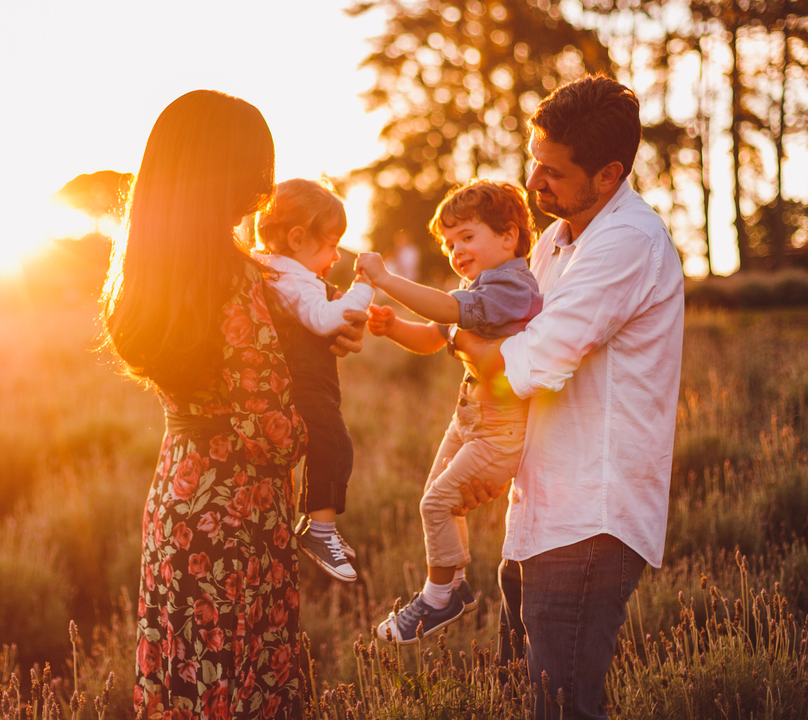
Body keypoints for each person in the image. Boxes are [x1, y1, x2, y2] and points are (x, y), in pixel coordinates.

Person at [99, 90, 366, 719]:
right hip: (237, 514)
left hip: (178, 493)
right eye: (255, 171)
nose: (263, 191)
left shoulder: (152, 270)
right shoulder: (238, 278)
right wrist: (316, 404)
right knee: (241, 675)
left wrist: (311, 338)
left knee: (185, 668)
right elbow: (273, 434)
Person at [453, 76, 685, 719]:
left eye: (553, 171)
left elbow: (531, 360)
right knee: (526, 700)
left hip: (590, 521)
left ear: (609, 174)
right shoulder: (557, 240)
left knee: (563, 709)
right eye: (535, 161)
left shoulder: (627, 242)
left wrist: (456, 337)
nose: (534, 182)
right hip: (538, 512)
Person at [354, 180, 542, 644]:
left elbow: (444, 312)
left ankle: (439, 597)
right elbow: (433, 335)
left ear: (508, 236)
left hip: (500, 431)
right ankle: (452, 584)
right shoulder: (476, 287)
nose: (456, 251)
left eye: (467, 237)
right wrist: (394, 326)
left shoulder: (513, 289)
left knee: (435, 503)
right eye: (450, 242)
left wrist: (385, 280)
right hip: (469, 421)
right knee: (438, 499)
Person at [254, 178, 374, 583]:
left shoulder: (271, 270)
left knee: (330, 444)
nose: (336, 255)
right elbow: (323, 320)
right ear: (297, 238)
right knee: (334, 444)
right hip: (306, 384)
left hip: (302, 382)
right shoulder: (293, 277)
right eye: (330, 244)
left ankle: (322, 528)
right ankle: (320, 531)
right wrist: (366, 288)